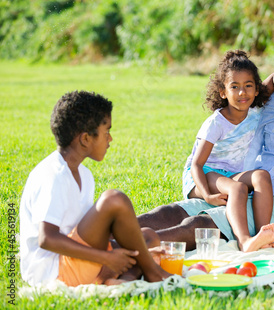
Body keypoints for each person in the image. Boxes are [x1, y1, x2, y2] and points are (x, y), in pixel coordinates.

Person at [138, 33, 274, 250]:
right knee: (170, 213)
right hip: (244, 188)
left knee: (201, 226)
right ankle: (108, 232)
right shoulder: (265, 100)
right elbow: (241, 99)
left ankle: (121, 249)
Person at [20, 91, 170, 287]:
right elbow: (47, 239)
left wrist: (134, 250)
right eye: (106, 132)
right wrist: (106, 258)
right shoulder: (52, 175)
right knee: (113, 200)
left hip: (79, 261)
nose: (111, 139)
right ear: (85, 139)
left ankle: (116, 280)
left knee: (148, 237)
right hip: (54, 271)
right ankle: (153, 273)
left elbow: (86, 231)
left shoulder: (84, 175)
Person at [183, 50, 274, 252]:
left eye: (248, 86)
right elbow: (196, 164)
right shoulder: (216, 123)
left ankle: (263, 234)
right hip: (203, 175)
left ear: (257, 89)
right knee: (237, 189)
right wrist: (207, 195)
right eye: (234, 87)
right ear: (223, 92)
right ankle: (244, 240)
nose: (242, 93)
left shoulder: (254, 110)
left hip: (229, 175)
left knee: (261, 176)